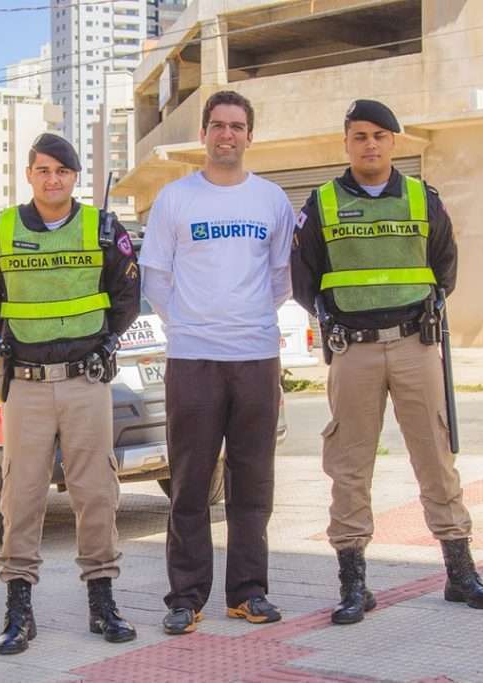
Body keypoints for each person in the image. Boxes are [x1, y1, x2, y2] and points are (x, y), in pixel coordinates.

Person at [290, 99, 483, 626]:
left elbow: (445, 267)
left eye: (380, 136)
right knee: (349, 466)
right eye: (360, 136)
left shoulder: (420, 197)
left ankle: (459, 572)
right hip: (354, 351)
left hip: (415, 345)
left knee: (435, 456)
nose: (370, 145)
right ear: (346, 143)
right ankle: (353, 584)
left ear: (393, 142)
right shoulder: (320, 203)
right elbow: (304, 279)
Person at [0, 133, 141, 655]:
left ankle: (102, 601)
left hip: (86, 380)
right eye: (43, 170)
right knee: (21, 494)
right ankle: (19, 608)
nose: (52, 179)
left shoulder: (102, 228)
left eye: (62, 172)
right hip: (27, 384)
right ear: (29, 174)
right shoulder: (0, 231)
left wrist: (104, 343)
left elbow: (128, 296)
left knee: (96, 492)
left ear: (75, 177)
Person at [139, 90, 295, 635]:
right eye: (218, 125)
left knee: (253, 483)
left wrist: (245, 318)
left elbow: (281, 277)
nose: (227, 135)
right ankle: (185, 597)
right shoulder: (176, 199)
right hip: (192, 359)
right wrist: (190, 322)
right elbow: (156, 276)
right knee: (190, 482)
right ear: (204, 134)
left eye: (237, 126)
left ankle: (248, 593)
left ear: (250, 136)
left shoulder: (271, 200)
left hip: (255, 357)